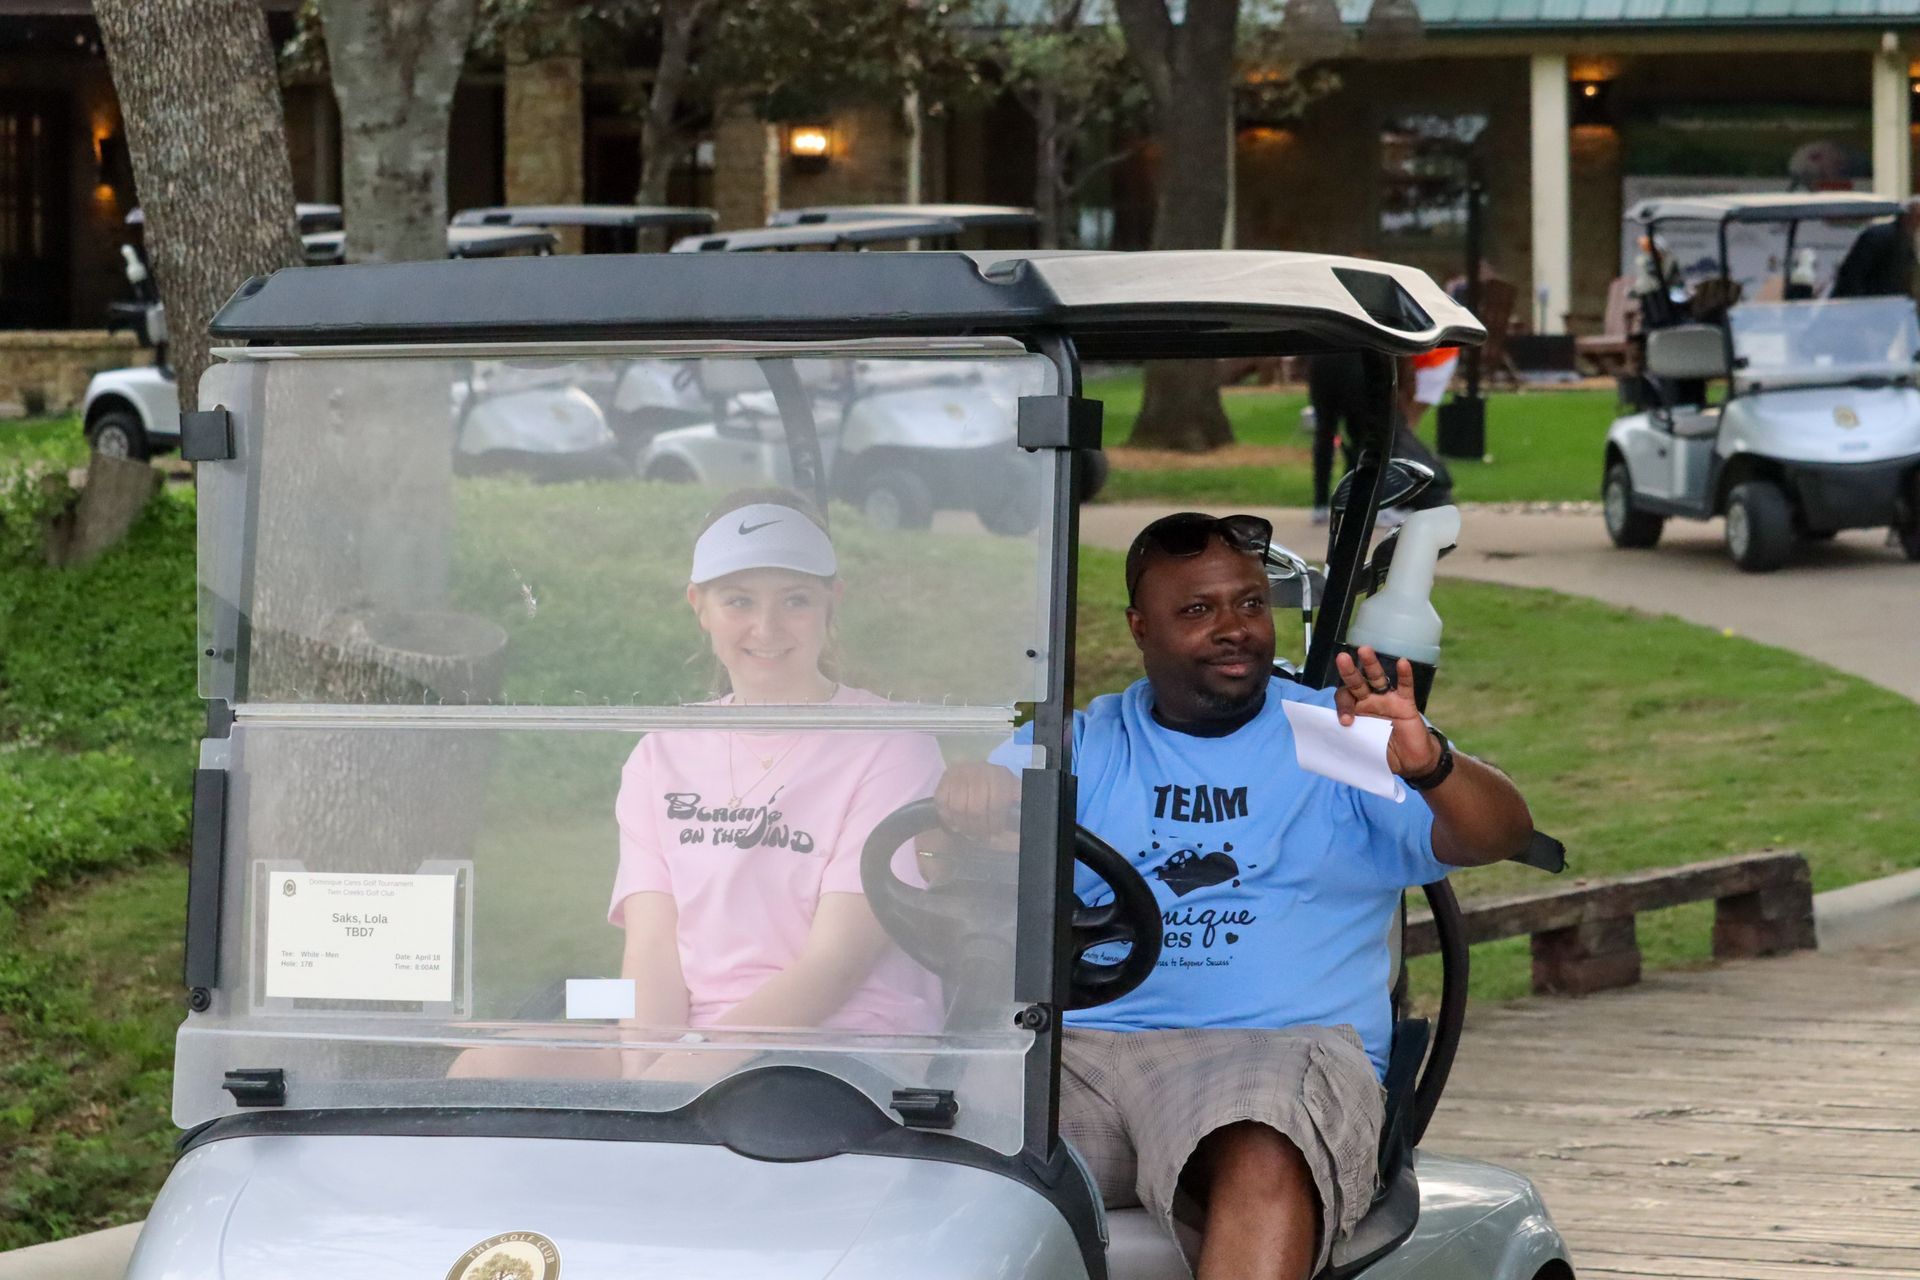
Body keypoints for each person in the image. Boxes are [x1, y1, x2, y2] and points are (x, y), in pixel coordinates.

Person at [936, 512, 1535, 1280]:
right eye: (1198, 610)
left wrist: (1430, 765)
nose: (1235, 628)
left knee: (1262, 1141)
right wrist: (968, 803)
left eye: (1250, 604)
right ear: (1140, 626)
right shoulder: (1083, 744)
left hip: (1273, 1052)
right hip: (1076, 1055)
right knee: (922, 1141)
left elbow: (1501, 834)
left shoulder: (1335, 734)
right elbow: (943, 867)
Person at [609, 491, 947, 1066]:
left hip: (845, 1045)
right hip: (698, 1044)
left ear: (831, 603)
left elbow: (836, 963)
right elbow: (651, 950)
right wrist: (643, 1071)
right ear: (699, 605)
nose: (766, 628)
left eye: (795, 601)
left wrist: (669, 1087)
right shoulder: (660, 752)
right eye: (738, 600)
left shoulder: (893, 745)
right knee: (489, 1068)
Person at [1830, 199, 1920, 300]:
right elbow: (1854, 274)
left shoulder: (1907, 237)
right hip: (1872, 303)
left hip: (1894, 303)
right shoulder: (1880, 235)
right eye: (1917, 217)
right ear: (1906, 216)